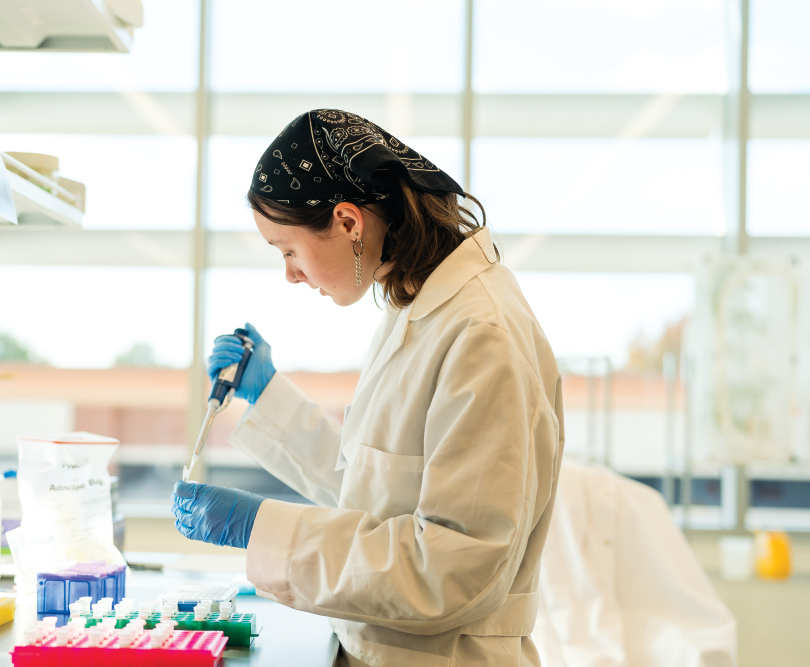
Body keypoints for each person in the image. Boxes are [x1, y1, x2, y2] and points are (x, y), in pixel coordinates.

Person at [172, 109, 565, 666]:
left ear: (349, 222)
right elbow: (373, 491)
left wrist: (259, 527)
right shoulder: (417, 306)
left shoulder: (482, 335)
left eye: (287, 249)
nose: (289, 273)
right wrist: (267, 395)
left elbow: (453, 569)